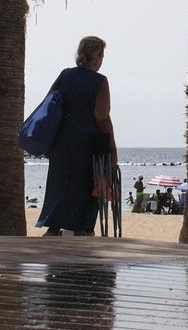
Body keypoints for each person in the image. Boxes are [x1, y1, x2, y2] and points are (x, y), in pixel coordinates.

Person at [36, 36, 117, 236]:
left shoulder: (65, 75)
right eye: (102, 55)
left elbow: (49, 101)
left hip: (62, 142)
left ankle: (53, 229)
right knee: (86, 190)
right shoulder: (100, 81)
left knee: (59, 185)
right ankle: (82, 231)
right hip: (88, 145)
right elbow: (102, 117)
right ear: (97, 56)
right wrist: (113, 150)